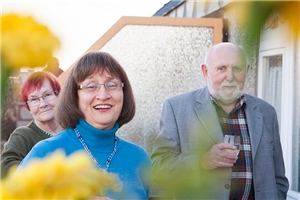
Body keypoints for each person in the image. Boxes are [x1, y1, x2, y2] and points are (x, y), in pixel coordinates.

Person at [151, 42, 289, 199]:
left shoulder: (266, 112)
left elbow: (278, 178)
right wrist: (202, 161)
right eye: (221, 68)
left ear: (247, 71)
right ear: (205, 71)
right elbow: (158, 167)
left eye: (237, 68)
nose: (230, 77)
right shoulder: (176, 108)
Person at [19, 51, 152, 199]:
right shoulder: (45, 154)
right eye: (91, 86)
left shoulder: (139, 159)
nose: (103, 95)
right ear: (75, 96)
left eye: (112, 85)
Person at [1, 71, 62, 179]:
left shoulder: (76, 128)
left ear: (58, 95)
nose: (43, 104)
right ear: (28, 107)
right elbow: (5, 170)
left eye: (47, 95)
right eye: (34, 99)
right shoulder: (23, 136)